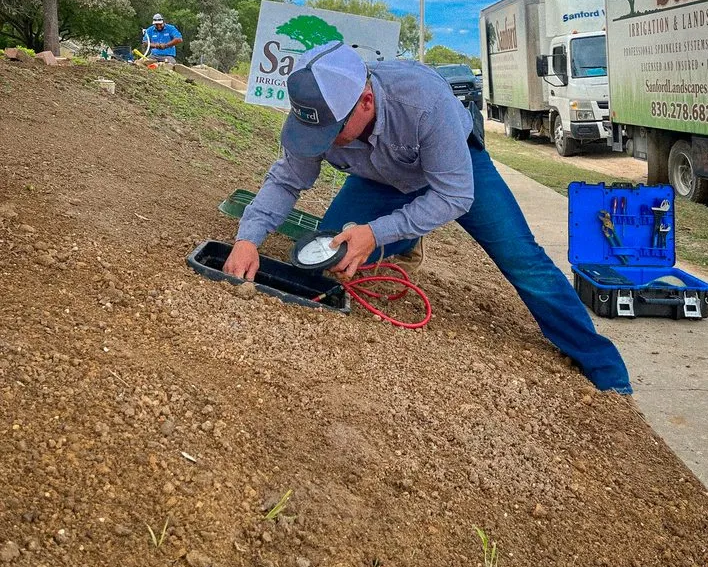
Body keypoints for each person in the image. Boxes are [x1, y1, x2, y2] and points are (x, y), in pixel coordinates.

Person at [225, 41, 631, 393]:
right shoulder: (315, 115)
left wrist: (378, 231)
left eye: (333, 132)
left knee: (524, 261)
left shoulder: (422, 100)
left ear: (365, 100)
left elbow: (454, 196)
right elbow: (286, 181)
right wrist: (248, 238)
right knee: (331, 250)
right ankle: (408, 233)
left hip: (454, 170)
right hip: (380, 178)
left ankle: (606, 370)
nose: (323, 143)